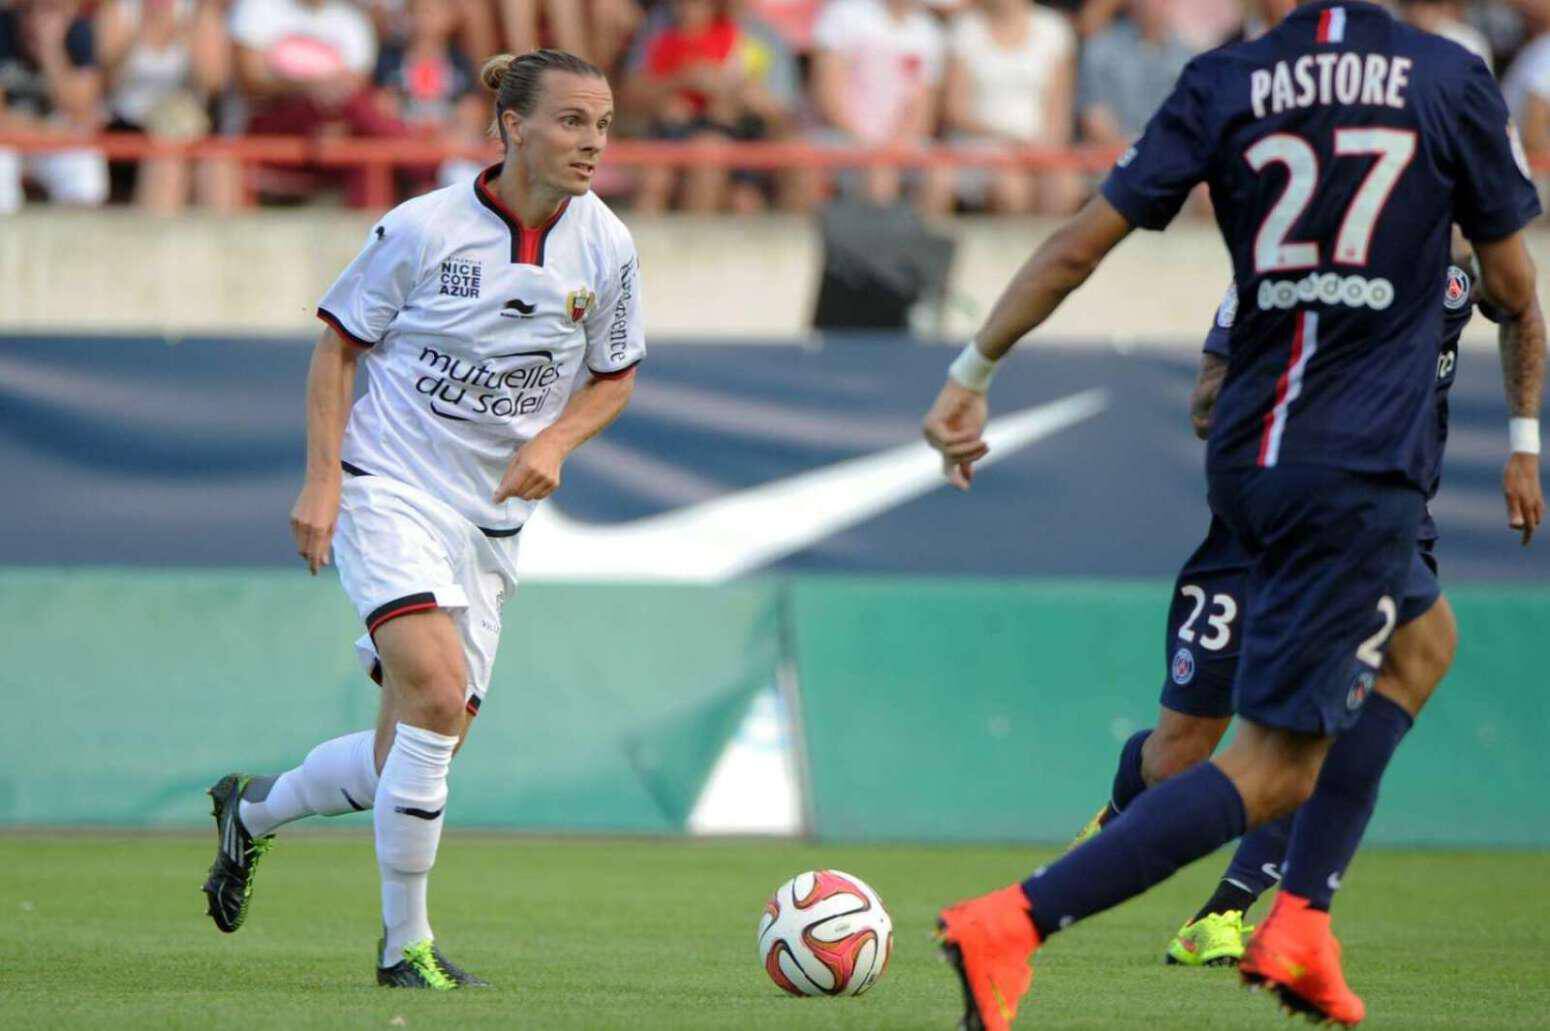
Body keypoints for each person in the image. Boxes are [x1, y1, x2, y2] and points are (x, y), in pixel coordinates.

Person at [920, 0, 1545, 1026]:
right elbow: (1513, 286)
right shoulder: (1445, 77)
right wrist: (1516, 420)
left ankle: (1299, 919)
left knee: (1422, 642)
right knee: (1270, 765)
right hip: (1357, 463)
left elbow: (1080, 244)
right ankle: (1017, 919)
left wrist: (971, 367)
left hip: (1247, 452)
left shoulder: (1225, 80)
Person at [201, 48, 646, 990]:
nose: (592, 143)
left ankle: (252, 814)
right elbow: (338, 350)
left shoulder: (606, 244)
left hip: (489, 525)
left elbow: (616, 375)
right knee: (437, 702)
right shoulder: (423, 227)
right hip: (388, 486)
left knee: (405, 753)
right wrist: (323, 482)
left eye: (602, 125)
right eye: (572, 121)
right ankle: (405, 947)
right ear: (513, 125)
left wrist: (557, 441)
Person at [1069, 248, 1497, 970]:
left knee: (1328, 722)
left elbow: (1507, 287)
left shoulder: (1448, 260)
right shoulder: (1272, 275)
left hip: (1379, 527)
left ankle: (1226, 911)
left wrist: (1519, 439)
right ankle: (1119, 815)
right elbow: (1206, 406)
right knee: (1177, 758)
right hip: (1260, 523)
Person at [942, 0, 1080, 214]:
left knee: (1065, 186)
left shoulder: (1053, 28)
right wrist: (1010, 140)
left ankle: (1052, 246)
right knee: (1011, 188)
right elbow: (955, 111)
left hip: (1038, 146)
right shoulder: (966, 28)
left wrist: (1044, 147)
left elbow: (1059, 110)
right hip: (979, 144)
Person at [95, 0, 234, 213]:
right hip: (131, 127)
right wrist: (138, 36)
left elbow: (214, 83)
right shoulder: (118, 10)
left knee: (218, 165)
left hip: (190, 126)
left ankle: (225, 243)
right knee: (167, 162)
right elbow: (103, 83)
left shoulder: (199, 12)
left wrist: (188, 36)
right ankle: (158, 242)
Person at [0, 0, 109, 215]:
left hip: (53, 138)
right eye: (35, 9)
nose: (42, 21)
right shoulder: (3, 29)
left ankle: (73, 246)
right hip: (16, 138)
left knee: (85, 167)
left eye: (53, 10)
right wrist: (47, 132)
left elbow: (81, 109)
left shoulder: (78, 32)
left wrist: (51, 51)